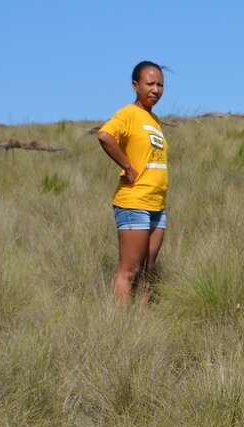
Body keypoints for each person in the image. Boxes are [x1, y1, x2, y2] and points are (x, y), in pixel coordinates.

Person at [97, 61, 169, 304]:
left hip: (157, 205)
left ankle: (141, 325)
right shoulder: (128, 113)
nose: (156, 89)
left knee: (147, 272)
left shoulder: (155, 120)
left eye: (160, 84)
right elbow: (105, 135)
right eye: (150, 84)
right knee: (129, 271)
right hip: (134, 202)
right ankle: (121, 328)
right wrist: (127, 167)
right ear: (135, 85)